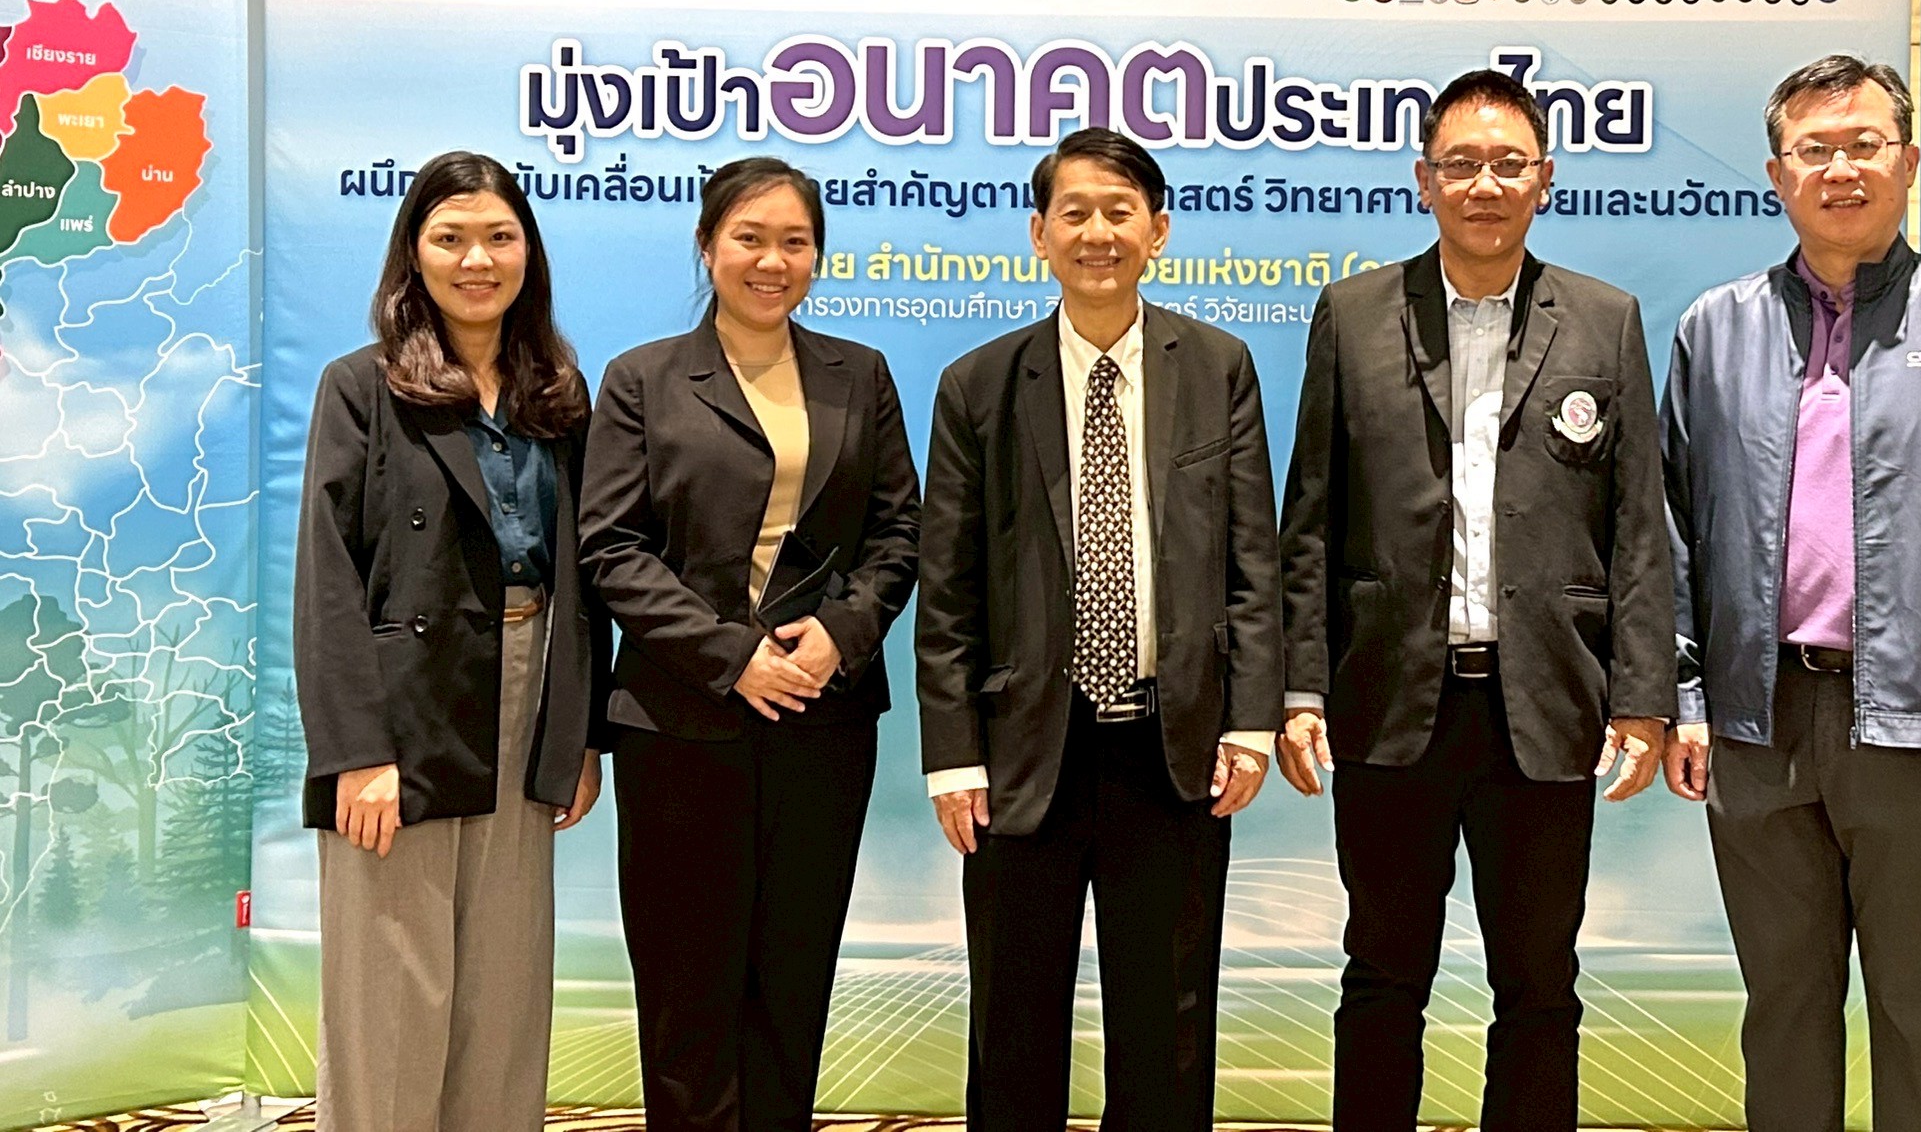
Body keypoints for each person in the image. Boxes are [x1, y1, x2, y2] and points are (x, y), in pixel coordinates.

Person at [1658, 54, 1921, 1132]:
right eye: (1814, 149)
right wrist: (1689, 696)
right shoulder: (1714, 329)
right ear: (1777, 173)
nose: (1840, 168)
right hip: (1759, 725)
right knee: (1783, 1009)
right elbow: (1671, 531)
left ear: (1910, 161)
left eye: (1864, 144)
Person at [1275, 69, 1675, 1132]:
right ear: (1425, 180)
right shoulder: (1354, 314)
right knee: (1381, 975)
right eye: (1461, 164)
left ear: (1545, 178)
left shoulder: (1605, 320)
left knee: (1539, 986)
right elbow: (1308, 518)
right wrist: (1300, 687)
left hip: (1543, 705)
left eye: (1507, 164)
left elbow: (1638, 527)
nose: (1484, 184)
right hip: (1387, 701)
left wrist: (1643, 697)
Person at [916, 127, 1282, 1132]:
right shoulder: (979, 385)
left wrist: (1250, 721)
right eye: (1074, 212)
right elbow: (947, 591)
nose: (1098, 233)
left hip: (1174, 749)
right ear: (1039, 233)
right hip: (1022, 752)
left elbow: (1254, 562)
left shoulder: (1218, 367)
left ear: (1157, 231)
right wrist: (954, 758)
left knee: (1168, 1027)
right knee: (1013, 1023)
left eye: (1120, 212)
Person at [580, 157, 921, 1132]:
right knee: (686, 983)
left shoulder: (860, 374)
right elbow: (610, 546)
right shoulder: (643, 379)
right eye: (750, 238)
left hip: (822, 719)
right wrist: (734, 657)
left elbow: (899, 531)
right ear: (707, 245)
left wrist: (841, 635)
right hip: (681, 722)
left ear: (817, 255)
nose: (773, 261)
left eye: (795, 242)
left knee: (793, 975)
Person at [296, 151, 607, 1132]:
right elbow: (328, 579)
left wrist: (579, 735)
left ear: (529, 253)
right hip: (403, 708)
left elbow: (585, 577)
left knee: (503, 1002)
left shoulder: (558, 392)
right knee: (391, 994)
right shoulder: (362, 387)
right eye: (451, 238)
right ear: (414, 255)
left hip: (529, 690)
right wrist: (356, 751)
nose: (478, 259)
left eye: (500, 237)